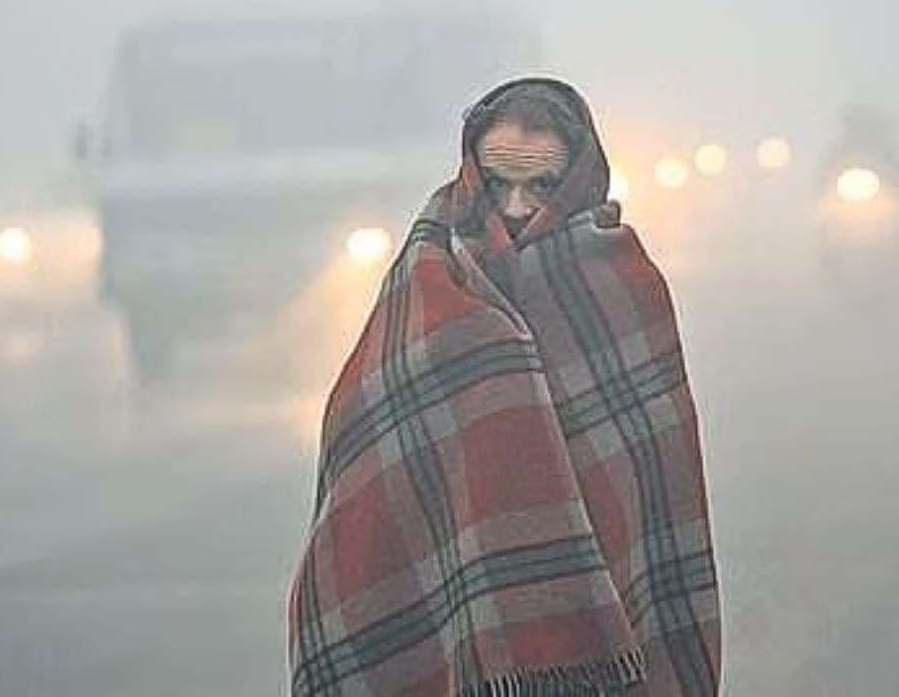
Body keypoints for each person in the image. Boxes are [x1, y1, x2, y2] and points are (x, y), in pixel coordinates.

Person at [285, 77, 721, 695]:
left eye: (541, 185)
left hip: (605, 618)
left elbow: (651, 483)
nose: (516, 206)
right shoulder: (427, 276)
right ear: (470, 175)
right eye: (497, 183)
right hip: (451, 609)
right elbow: (366, 447)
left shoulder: (623, 285)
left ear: (579, 180)